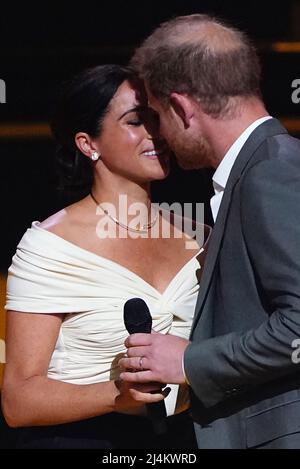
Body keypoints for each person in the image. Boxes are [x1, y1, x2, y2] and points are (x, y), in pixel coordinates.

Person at [1, 64, 210, 449]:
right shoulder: (49, 246)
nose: (155, 133)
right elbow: (18, 400)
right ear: (88, 144)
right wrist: (117, 395)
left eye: (156, 118)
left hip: (188, 440)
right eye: (135, 121)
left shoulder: (200, 236)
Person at [119, 14, 300, 449]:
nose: (158, 133)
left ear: (181, 108)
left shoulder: (270, 172)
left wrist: (190, 361)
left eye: (157, 115)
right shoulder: (268, 163)